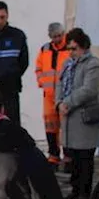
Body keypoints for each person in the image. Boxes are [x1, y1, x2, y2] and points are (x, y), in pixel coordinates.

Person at [55, 28, 99, 199]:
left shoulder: (92, 64)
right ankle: (75, 190)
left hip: (83, 117)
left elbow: (89, 89)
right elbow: (59, 84)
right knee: (73, 157)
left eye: (74, 48)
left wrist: (68, 102)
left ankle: (84, 192)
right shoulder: (67, 64)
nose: (71, 52)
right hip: (68, 117)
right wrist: (59, 102)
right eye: (69, 48)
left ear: (83, 47)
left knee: (85, 158)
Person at [34, 23, 69, 164]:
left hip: (65, 95)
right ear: (50, 37)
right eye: (54, 37)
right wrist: (42, 82)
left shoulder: (70, 49)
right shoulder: (45, 49)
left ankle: (67, 156)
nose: (57, 39)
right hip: (48, 96)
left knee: (66, 126)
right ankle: (53, 155)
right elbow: (38, 69)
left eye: (59, 36)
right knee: (50, 125)